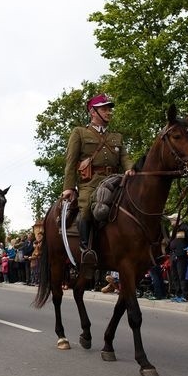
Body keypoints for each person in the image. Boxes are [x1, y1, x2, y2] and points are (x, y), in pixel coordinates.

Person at [61, 93, 134, 270]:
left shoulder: (116, 137)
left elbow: (125, 158)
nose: (109, 112)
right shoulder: (80, 132)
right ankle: (86, 249)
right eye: (104, 109)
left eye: (109, 109)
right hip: (91, 182)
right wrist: (69, 187)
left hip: (115, 180)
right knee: (85, 209)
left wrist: (131, 169)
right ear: (93, 112)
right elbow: (71, 162)